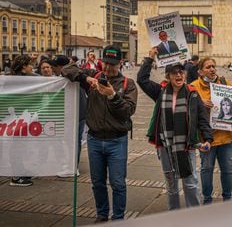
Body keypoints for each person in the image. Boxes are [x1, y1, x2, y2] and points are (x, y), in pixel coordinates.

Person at [61, 45, 137, 222]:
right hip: (94, 139)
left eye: (113, 64)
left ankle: (118, 218)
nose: (109, 68)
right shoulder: (94, 77)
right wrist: (86, 78)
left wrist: (112, 96)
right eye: (106, 63)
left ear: (120, 63)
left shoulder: (128, 84)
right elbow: (65, 68)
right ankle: (102, 215)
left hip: (117, 140)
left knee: (118, 183)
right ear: (102, 62)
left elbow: (128, 111)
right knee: (97, 183)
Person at [137, 47, 213, 210]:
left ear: (184, 74)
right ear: (168, 76)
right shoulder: (160, 91)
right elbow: (142, 80)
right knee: (171, 186)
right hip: (165, 146)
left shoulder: (192, 93)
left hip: (186, 146)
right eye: (174, 73)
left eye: (181, 72)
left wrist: (207, 138)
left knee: (190, 184)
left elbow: (202, 118)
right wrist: (149, 59)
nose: (178, 75)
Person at [191, 57, 232, 204]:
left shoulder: (225, 83)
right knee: (206, 169)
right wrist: (200, 103)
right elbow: (188, 111)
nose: (212, 69)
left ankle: (227, 199)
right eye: (208, 67)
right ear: (200, 71)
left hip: (226, 136)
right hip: (207, 138)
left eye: (213, 66)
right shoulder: (193, 87)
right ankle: (207, 200)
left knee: (228, 170)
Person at [50, 55, 86, 177]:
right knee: (72, 140)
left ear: (60, 67)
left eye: (54, 67)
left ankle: (72, 167)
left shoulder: (69, 75)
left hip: (76, 112)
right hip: (77, 112)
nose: (52, 69)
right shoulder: (71, 74)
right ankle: (70, 165)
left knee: (73, 141)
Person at [9, 54, 38, 187]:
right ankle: (16, 176)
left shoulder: (19, 78)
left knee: (19, 146)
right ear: (23, 68)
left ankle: (20, 171)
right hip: (17, 118)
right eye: (29, 65)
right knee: (16, 146)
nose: (32, 67)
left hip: (19, 117)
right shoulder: (21, 80)